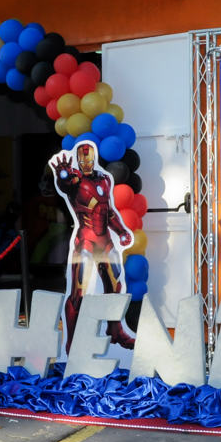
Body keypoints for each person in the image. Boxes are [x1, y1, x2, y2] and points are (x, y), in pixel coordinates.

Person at [51, 141, 135, 353]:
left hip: (105, 241)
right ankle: (72, 342)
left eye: (89, 158)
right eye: (82, 159)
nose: (86, 162)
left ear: (93, 158)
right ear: (79, 160)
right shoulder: (74, 180)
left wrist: (122, 231)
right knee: (79, 291)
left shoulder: (105, 179)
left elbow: (108, 211)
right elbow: (65, 184)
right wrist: (63, 175)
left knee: (114, 286)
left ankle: (115, 331)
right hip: (86, 241)